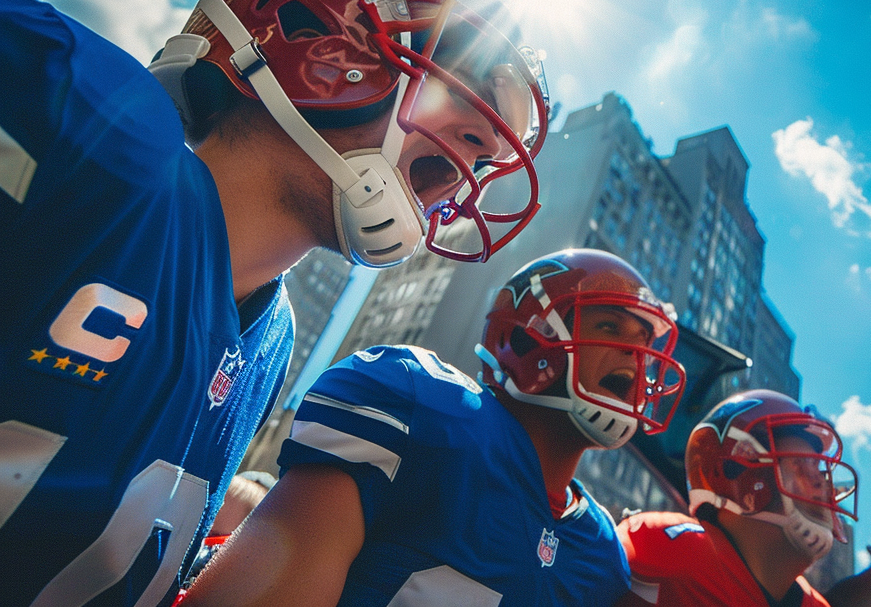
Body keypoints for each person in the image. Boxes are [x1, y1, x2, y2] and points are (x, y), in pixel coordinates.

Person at [0, 0, 547, 605]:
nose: (477, 154)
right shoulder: (84, 122)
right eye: (457, 89)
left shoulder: (273, 340)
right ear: (321, 52)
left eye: (490, 150)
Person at [182, 248, 685, 605]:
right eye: (611, 327)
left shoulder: (601, 554)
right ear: (525, 341)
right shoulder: (422, 409)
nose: (633, 354)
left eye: (644, 338)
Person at [615, 389, 857, 607]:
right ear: (740, 471)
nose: (823, 483)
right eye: (802, 465)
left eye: (820, 468)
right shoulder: (667, 550)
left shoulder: (814, 604)